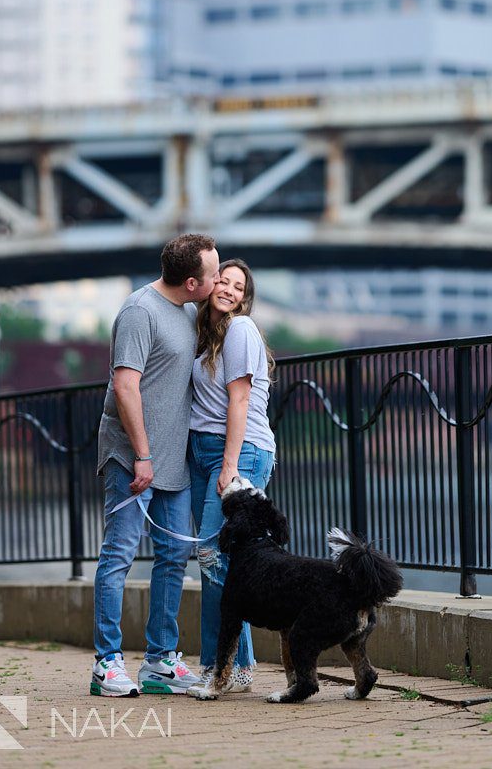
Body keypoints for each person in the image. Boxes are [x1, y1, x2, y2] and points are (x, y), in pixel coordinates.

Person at [91, 234, 220, 697]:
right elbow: (125, 386)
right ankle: (106, 663)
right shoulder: (139, 312)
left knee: (171, 558)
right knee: (119, 555)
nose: (219, 277)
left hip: (173, 460)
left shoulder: (188, 310)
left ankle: (160, 661)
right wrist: (142, 455)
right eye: (213, 272)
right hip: (134, 457)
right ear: (191, 282)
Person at [185, 258, 276, 697]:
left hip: (240, 451)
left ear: (244, 298)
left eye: (239, 287)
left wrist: (229, 465)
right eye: (223, 280)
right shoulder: (208, 334)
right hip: (211, 452)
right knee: (220, 559)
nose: (229, 290)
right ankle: (238, 663)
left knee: (210, 553)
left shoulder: (239, 330)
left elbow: (238, 402)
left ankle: (219, 666)